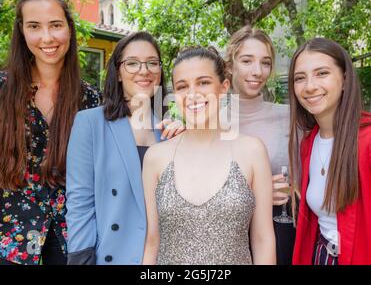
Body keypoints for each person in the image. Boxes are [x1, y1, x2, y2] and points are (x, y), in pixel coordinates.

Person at [142, 46, 276, 265]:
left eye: (203, 82)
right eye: (183, 86)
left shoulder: (252, 151)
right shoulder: (156, 157)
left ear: (223, 88)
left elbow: (263, 239)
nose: (193, 94)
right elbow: (152, 241)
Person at [0, 0, 101, 265]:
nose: (47, 37)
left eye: (55, 25)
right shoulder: (1, 90)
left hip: (73, 236)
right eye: (34, 26)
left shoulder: (91, 99)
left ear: (69, 27)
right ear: (22, 31)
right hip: (9, 237)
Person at [65, 31, 183, 265]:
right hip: (110, 256)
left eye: (152, 63)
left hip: (164, 259)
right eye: (132, 63)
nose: (144, 70)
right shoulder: (90, 123)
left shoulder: (171, 131)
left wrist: (185, 139)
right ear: (118, 73)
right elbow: (79, 202)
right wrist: (81, 258)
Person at [289, 37, 371, 265]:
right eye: (300, 78)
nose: (310, 86)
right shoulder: (308, 143)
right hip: (322, 256)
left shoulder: (367, 141)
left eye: (322, 73)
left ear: (344, 80)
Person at [224, 26, 295, 265]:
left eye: (265, 63)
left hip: (278, 232)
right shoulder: (210, 121)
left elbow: (309, 179)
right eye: (247, 61)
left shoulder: (290, 117)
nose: (257, 71)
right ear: (230, 65)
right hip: (226, 234)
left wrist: (290, 190)